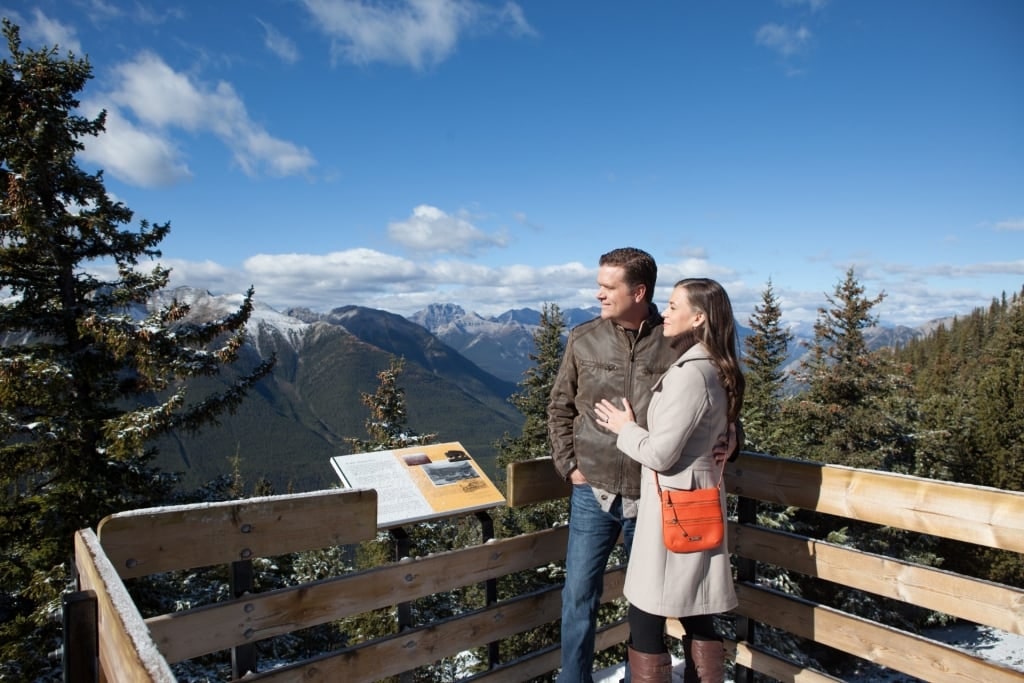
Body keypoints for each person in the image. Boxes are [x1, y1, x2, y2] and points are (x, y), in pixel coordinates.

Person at [547, 248, 733, 682]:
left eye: (608, 287)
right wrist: (568, 466)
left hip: (654, 498)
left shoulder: (677, 341)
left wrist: (732, 436)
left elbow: (713, 394)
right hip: (592, 490)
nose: (598, 295)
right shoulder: (584, 337)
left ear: (638, 292)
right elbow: (559, 406)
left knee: (651, 605)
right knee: (578, 595)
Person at [594, 277, 745, 683]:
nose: (666, 313)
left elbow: (661, 454)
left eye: (675, 306)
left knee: (645, 614)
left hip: (673, 510)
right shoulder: (713, 366)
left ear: (698, 317)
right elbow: (711, 426)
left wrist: (623, 427)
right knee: (698, 612)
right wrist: (730, 438)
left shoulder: (691, 375)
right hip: (697, 504)